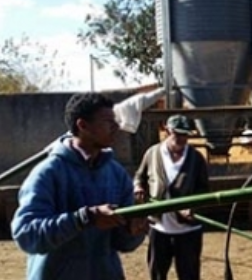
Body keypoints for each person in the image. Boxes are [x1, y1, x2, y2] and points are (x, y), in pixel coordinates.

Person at [10, 92, 149, 280]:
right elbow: (27, 235)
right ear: (83, 125)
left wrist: (133, 230)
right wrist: (83, 218)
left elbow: (122, 243)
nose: (116, 127)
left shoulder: (117, 174)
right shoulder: (48, 174)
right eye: (108, 121)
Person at [133, 114, 210, 280]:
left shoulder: (196, 158)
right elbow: (140, 176)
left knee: (189, 275)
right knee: (157, 273)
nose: (182, 138)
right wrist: (138, 186)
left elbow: (204, 190)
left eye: (185, 135)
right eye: (178, 134)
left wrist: (193, 207)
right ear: (167, 131)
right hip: (159, 228)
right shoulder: (152, 153)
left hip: (188, 230)